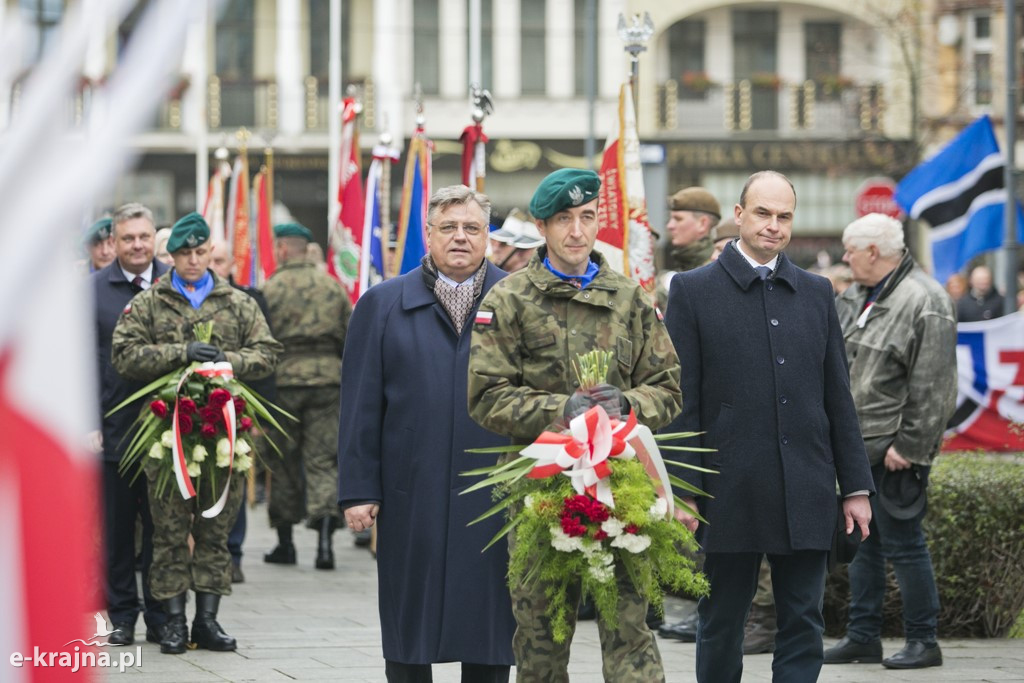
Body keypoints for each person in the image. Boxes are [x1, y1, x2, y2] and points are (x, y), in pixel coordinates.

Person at [468, 168, 682, 682]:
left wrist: (627, 403)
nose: (577, 231)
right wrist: (560, 410)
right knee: (541, 627)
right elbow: (485, 396)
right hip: (540, 484)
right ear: (542, 226)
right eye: (564, 219)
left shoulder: (630, 297)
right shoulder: (509, 299)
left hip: (622, 481)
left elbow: (669, 388)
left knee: (628, 622)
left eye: (587, 217)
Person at [664, 170, 874, 683]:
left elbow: (837, 398)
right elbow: (680, 403)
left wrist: (857, 486)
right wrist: (683, 490)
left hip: (806, 484)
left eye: (784, 216)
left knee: (803, 619)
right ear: (739, 215)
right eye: (763, 213)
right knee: (720, 621)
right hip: (727, 488)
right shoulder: (692, 292)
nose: (773, 226)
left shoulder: (817, 292)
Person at [339, 185, 515, 682]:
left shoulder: (519, 299)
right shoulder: (382, 304)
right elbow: (359, 406)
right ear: (428, 234)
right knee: (409, 624)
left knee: (489, 627)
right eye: (449, 227)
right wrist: (357, 490)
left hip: (495, 491)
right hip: (409, 490)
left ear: (488, 236)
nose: (460, 237)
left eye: (472, 228)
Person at [112, 212, 281, 655]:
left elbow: (267, 354)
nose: (192, 260)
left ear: (210, 253)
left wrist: (227, 361)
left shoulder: (238, 302)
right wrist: (179, 353)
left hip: (222, 433)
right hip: (167, 432)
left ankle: (207, 620)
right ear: (171, 255)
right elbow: (124, 355)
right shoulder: (150, 302)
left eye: (200, 252)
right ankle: (171, 622)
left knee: (214, 528)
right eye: (184, 253)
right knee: (166, 530)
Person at [824, 213, 958, 670]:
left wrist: (913, 447)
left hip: (896, 452)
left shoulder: (925, 299)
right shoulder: (857, 295)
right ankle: (863, 637)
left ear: (874, 253)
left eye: (850, 250)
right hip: (858, 448)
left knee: (905, 545)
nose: (845, 258)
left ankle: (924, 641)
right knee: (863, 544)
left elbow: (935, 385)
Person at [92, 203, 170, 646]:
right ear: (113, 243)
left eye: (144, 236)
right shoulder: (92, 291)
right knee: (118, 530)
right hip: (113, 429)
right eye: (128, 238)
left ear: (153, 236)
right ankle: (122, 614)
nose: (137, 245)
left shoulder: (175, 283)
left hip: (169, 430)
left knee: (165, 529)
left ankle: (162, 615)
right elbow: (80, 360)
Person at [263, 223, 351, 570]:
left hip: (284, 382)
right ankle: (325, 543)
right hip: (328, 381)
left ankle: (285, 543)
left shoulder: (270, 289)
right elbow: (349, 333)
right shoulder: (332, 287)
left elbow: (261, 340)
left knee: (282, 461)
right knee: (322, 460)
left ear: (283, 249)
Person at [209, 240, 278, 584]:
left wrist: (258, 417)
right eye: (212, 260)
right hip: (197, 408)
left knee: (234, 480)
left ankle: (233, 554)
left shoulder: (248, 300)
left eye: (221, 261)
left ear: (231, 263)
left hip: (238, 406)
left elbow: (265, 357)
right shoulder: (197, 299)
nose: (215, 267)